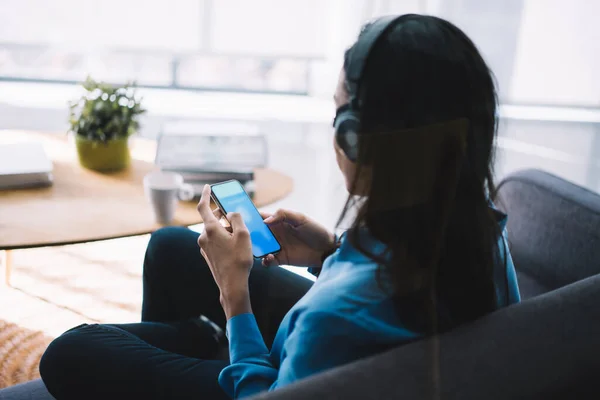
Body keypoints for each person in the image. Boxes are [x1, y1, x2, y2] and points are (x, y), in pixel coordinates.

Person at [39, 14, 520, 400]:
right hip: (351, 347)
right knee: (169, 246)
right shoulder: (482, 234)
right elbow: (397, 286)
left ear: (358, 139)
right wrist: (331, 253)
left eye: (339, 115)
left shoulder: (332, 318)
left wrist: (236, 302)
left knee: (72, 351)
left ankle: (212, 340)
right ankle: (205, 337)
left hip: (264, 380)